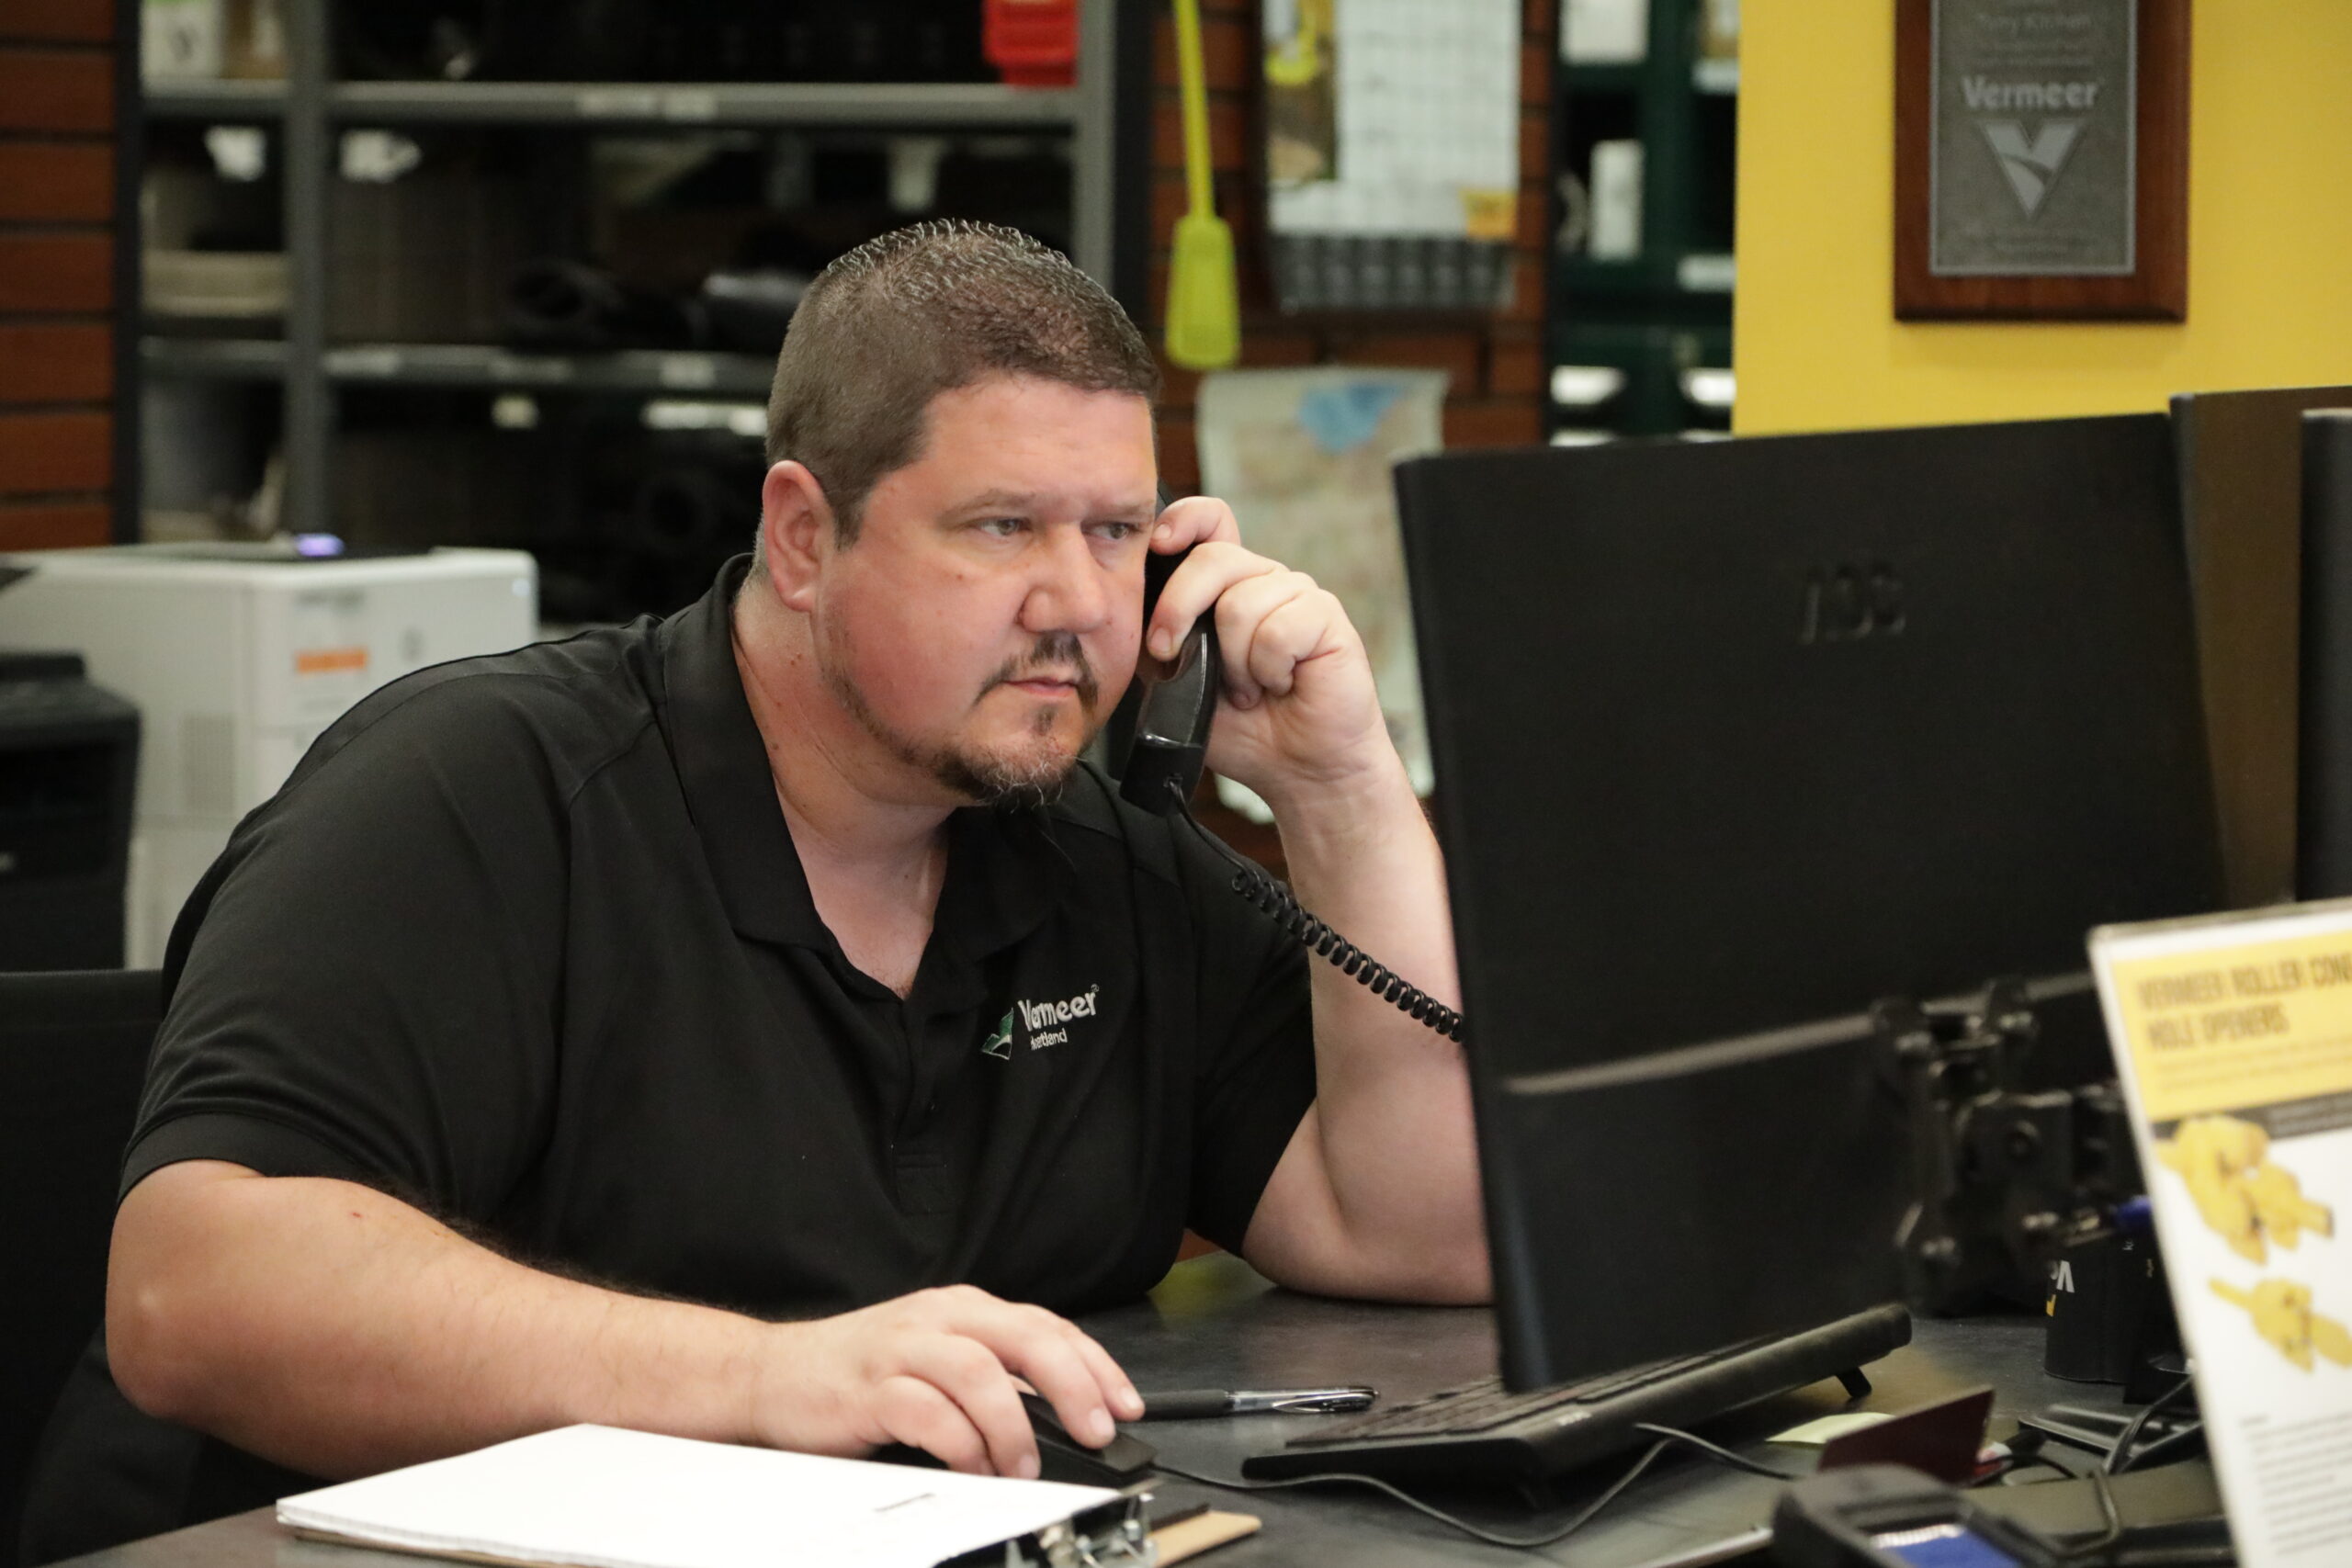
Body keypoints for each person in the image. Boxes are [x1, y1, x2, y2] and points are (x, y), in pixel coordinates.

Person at [25, 221, 1485, 1559]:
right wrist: (767, 1378)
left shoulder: (1094, 853)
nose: (1081, 606)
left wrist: (1337, 786)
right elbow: (190, 1293)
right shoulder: (481, 793)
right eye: (1002, 528)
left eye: (1116, 532)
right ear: (802, 538)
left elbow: (1424, 1233)